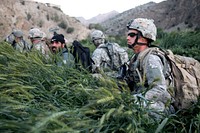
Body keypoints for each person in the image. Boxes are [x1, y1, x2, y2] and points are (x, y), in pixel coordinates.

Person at [125, 18, 172, 113]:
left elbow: (160, 88)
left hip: (160, 105)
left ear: (145, 36)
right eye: (128, 34)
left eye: (132, 35)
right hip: (144, 99)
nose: (127, 38)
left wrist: (136, 100)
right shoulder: (136, 57)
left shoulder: (151, 59)